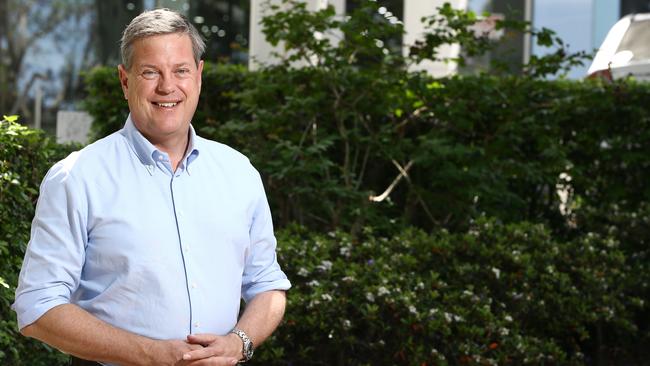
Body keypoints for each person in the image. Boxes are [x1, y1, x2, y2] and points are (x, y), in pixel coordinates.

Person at [12, 8, 291, 366]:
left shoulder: (239, 173)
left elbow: (268, 285)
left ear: (199, 76)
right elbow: (38, 306)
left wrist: (240, 343)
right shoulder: (77, 178)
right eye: (150, 72)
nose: (167, 87)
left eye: (180, 70)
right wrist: (151, 354)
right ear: (125, 81)